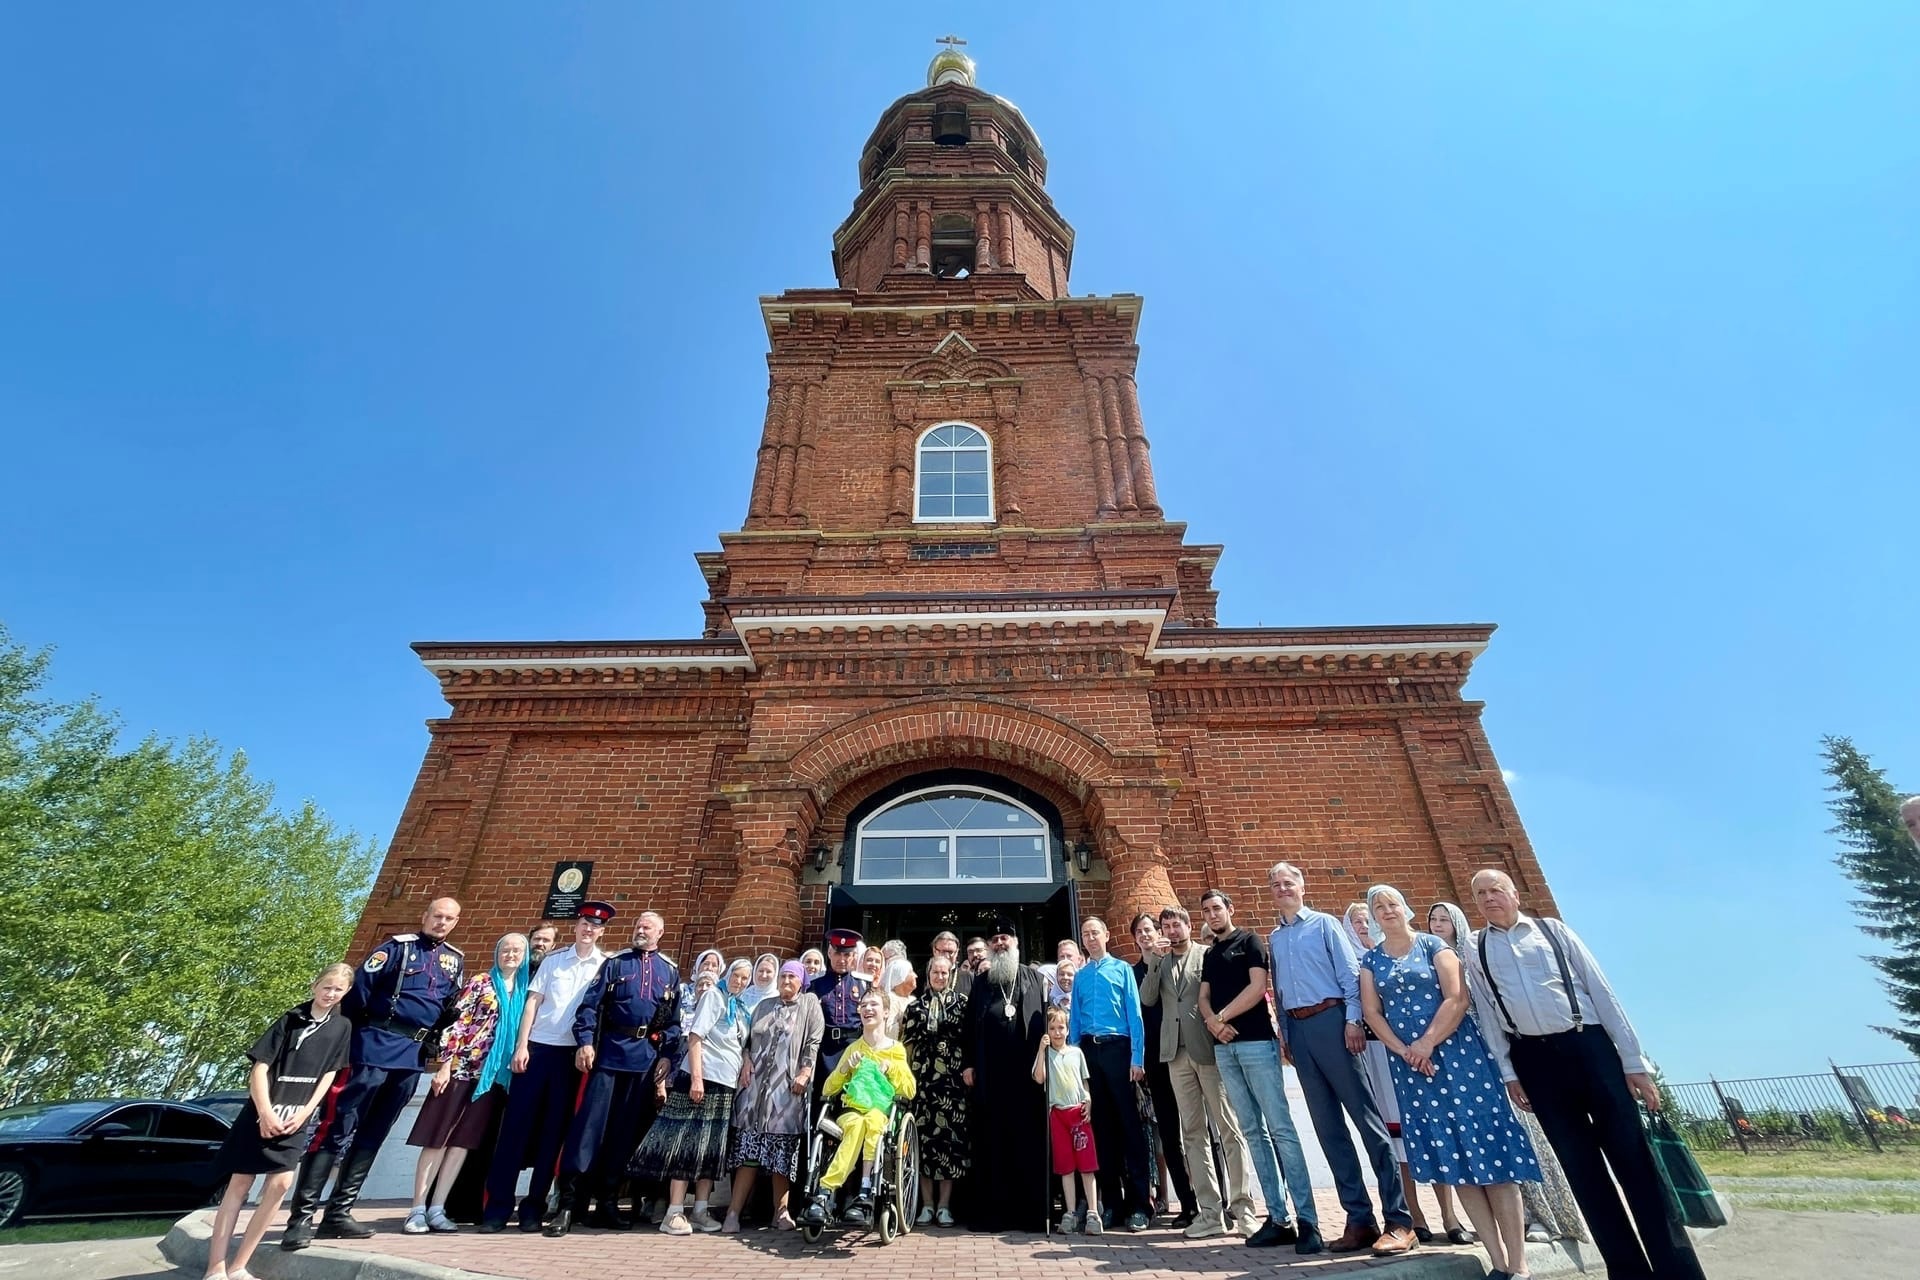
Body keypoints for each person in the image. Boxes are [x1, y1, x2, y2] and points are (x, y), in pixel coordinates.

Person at [1463, 869, 1707, 1280]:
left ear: (1515, 894)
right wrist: (1508, 1072)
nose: (1490, 898)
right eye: (1481, 894)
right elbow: (1488, 1014)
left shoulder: (1553, 932)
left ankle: (1677, 1270)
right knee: (1584, 1173)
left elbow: (1602, 991)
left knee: (1636, 1163)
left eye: (1497, 890)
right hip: (1534, 1059)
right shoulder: (1477, 948)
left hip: (1589, 1047)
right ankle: (1627, 1271)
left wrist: (1634, 1063)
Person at [1360, 885, 1540, 1280]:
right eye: (1379, 907)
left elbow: (1456, 998)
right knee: (1454, 1158)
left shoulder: (1432, 946)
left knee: (1490, 1153)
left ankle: (1519, 1264)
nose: (1386, 911)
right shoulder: (1372, 961)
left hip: (1459, 1060)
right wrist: (1406, 1051)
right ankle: (1496, 1261)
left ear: (1406, 909)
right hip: (1412, 1069)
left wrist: (1426, 1043)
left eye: (1392, 904)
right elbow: (1372, 1013)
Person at [283, 897, 464, 1249]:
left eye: (449, 918)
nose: (442, 923)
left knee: (373, 1134)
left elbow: (447, 1008)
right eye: (437, 916)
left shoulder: (454, 961)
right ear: (425, 916)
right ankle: (301, 1219)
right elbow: (357, 997)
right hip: (372, 1048)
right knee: (336, 1130)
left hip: (410, 1058)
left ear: (456, 923)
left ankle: (338, 1214)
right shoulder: (395, 949)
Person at [1267, 863, 1416, 1254]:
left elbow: (1350, 976)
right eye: (1276, 884)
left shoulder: (1324, 924)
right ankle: (1359, 1220)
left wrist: (1353, 1020)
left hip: (1334, 1023)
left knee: (1367, 1122)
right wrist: (1286, 1035)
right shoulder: (1275, 938)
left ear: (1301, 887)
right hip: (1299, 1033)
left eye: (1289, 883)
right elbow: (1279, 992)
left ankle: (1400, 1220)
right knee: (1329, 1130)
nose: (1282, 888)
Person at [1431, 901, 1581, 1246]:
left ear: (1457, 923)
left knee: (1518, 1135)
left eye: (1444, 919)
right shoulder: (1432, 960)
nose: (1438, 925)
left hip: (1493, 1055)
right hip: (1461, 1061)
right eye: (1433, 919)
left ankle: (1543, 1214)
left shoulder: (1473, 957)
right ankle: (1504, 1223)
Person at [205, 964, 355, 1280]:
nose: (330, 994)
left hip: (297, 1116)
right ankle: (215, 1267)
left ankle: (239, 1266)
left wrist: (306, 1112)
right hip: (263, 1111)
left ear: (346, 993)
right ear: (315, 985)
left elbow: (330, 1073)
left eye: (338, 990)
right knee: (241, 1183)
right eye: (326, 987)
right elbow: (260, 1068)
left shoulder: (341, 1027)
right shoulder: (290, 1020)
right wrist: (265, 1112)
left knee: (281, 1184)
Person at [1195, 888, 1320, 1252]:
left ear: (1229, 909)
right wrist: (1213, 1024)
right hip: (1224, 1050)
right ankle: (1279, 1218)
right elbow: (1202, 996)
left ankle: (1308, 1219)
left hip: (1255, 1045)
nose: (1212, 914)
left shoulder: (1249, 941)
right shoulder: (1211, 952)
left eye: (1217, 907)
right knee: (1252, 1131)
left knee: (1280, 1128)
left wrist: (1222, 1017)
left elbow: (1257, 987)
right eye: (1206, 910)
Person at [546, 909, 681, 1235]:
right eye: (638, 926)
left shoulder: (669, 972)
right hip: (608, 1056)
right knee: (587, 1132)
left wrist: (666, 1054)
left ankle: (607, 1201)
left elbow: (675, 1023)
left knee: (623, 1135)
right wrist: (585, 1043)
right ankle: (568, 1204)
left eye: (648, 927)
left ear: (660, 933)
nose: (641, 930)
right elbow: (589, 1007)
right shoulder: (616, 964)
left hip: (643, 1062)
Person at [478, 903, 610, 1232]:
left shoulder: (604, 966)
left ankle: (533, 1208)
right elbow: (532, 1003)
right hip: (538, 1050)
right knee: (515, 1129)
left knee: (553, 1135)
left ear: (602, 932)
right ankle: (497, 1208)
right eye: (584, 924)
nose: (588, 930)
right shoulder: (554, 961)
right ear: (576, 926)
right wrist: (522, 1046)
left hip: (570, 1059)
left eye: (595, 927)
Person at [1139, 903, 1257, 1240]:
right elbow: (1148, 1000)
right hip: (1174, 1053)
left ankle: (1243, 1207)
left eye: (1176, 925)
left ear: (1188, 926)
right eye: (1166, 926)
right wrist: (1155, 962)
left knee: (1228, 1128)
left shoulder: (1206, 954)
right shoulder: (1160, 961)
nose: (1171, 931)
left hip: (1207, 1048)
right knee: (1192, 1133)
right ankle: (1209, 1212)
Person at [402, 933, 529, 1234]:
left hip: (491, 1078)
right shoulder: (481, 982)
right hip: (460, 1070)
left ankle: (438, 1208)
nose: (510, 955)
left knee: (461, 1144)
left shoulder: (525, 990)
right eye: (505, 949)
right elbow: (457, 1024)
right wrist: (444, 1065)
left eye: (516, 950)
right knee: (438, 1139)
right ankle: (417, 1208)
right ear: (497, 952)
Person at [629, 953, 752, 1235]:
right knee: (685, 1144)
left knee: (709, 1149)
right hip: (702, 1078)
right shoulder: (714, 997)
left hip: (724, 1084)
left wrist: (746, 1057)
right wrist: (696, 1078)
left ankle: (700, 1210)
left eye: (745, 978)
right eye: (736, 975)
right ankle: (673, 1211)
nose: (740, 981)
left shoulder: (740, 1007)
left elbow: (739, 1042)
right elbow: (696, 1037)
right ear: (727, 974)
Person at [1346, 900, 1435, 1244]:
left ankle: (1450, 1214)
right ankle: (1411, 1215)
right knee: (1392, 1133)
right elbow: (1363, 1006)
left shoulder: (1409, 951)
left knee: (1429, 1124)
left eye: (1367, 920)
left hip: (1418, 1045)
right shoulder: (1366, 961)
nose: (1365, 926)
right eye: (1357, 921)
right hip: (1379, 1049)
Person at [960, 916, 1052, 1232]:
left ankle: (1030, 1215)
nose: (1001, 943)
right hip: (991, 1076)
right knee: (992, 1143)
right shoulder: (981, 984)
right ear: (989, 946)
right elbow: (969, 1028)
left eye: (1006, 938)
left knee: (1027, 1142)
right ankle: (994, 1215)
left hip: (1026, 1077)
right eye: (996, 939)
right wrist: (969, 1064)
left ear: (1015, 943)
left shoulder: (1035, 978)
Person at [804, 990, 917, 1228]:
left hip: (881, 1113)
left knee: (873, 1121)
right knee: (856, 1124)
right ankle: (825, 1191)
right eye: (863, 1005)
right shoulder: (853, 1048)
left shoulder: (896, 1049)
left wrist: (892, 1069)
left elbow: (909, 1089)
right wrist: (844, 1068)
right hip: (852, 1112)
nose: (867, 1009)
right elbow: (828, 1089)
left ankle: (866, 1189)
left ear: (886, 1012)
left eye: (873, 1004)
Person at [1067, 916, 1151, 1231]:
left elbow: (1135, 1014)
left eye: (1095, 933)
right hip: (1090, 1052)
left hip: (1119, 1051)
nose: (1090, 938)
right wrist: (1076, 1064)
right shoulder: (1080, 976)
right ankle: (1112, 1204)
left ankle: (1141, 1204)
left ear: (1107, 935)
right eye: (1085, 934)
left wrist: (1137, 1058)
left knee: (1130, 1128)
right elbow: (1074, 1020)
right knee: (1101, 1131)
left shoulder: (1123, 970)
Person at [727, 959, 823, 1232]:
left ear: (801, 981)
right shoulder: (764, 1006)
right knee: (748, 1151)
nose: (786, 982)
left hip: (786, 1090)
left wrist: (806, 1071)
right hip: (754, 1090)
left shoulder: (808, 1004)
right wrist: (745, 1059)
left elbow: (813, 1042)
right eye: (783, 977)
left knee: (780, 1155)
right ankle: (734, 1212)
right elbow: (745, 1040)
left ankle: (780, 1212)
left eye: (792, 977)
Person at [1129, 913, 1198, 1229]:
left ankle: (1218, 1200)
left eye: (1149, 929)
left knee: (1200, 1130)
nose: (1145, 935)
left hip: (1186, 1051)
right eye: (1139, 932)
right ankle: (1187, 1202)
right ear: (1134, 939)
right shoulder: (1131, 973)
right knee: (1170, 1134)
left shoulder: (1174, 962)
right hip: (1156, 1059)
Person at [902, 952, 969, 1225]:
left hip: (952, 1084)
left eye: (944, 973)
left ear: (951, 974)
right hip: (923, 1083)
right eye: (934, 973)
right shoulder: (915, 1007)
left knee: (950, 1144)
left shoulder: (962, 1004)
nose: (939, 977)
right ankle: (926, 1205)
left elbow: (969, 1041)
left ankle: (945, 1206)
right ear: (928, 976)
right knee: (924, 1143)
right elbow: (906, 1045)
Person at [1034, 1006, 1102, 1234]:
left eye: (1061, 1027)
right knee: (1065, 1167)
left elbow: (1085, 1083)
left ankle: (1093, 1212)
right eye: (1052, 1028)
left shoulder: (1076, 1053)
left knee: (1087, 1165)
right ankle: (1070, 1211)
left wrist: (1089, 1101)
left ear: (1067, 1028)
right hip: (1057, 1114)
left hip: (1078, 1113)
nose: (1057, 1032)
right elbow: (1038, 1078)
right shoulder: (1047, 1055)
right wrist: (1041, 1050)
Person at [809, 928, 871, 1081]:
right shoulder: (815, 983)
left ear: (854, 957)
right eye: (837, 953)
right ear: (829, 954)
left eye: (847, 955)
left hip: (854, 1048)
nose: (842, 959)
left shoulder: (863, 983)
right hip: (824, 1049)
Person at [931, 930, 972, 996]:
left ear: (957, 952)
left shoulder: (968, 978)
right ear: (934, 951)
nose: (946, 956)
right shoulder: (921, 976)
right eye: (943, 951)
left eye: (950, 952)